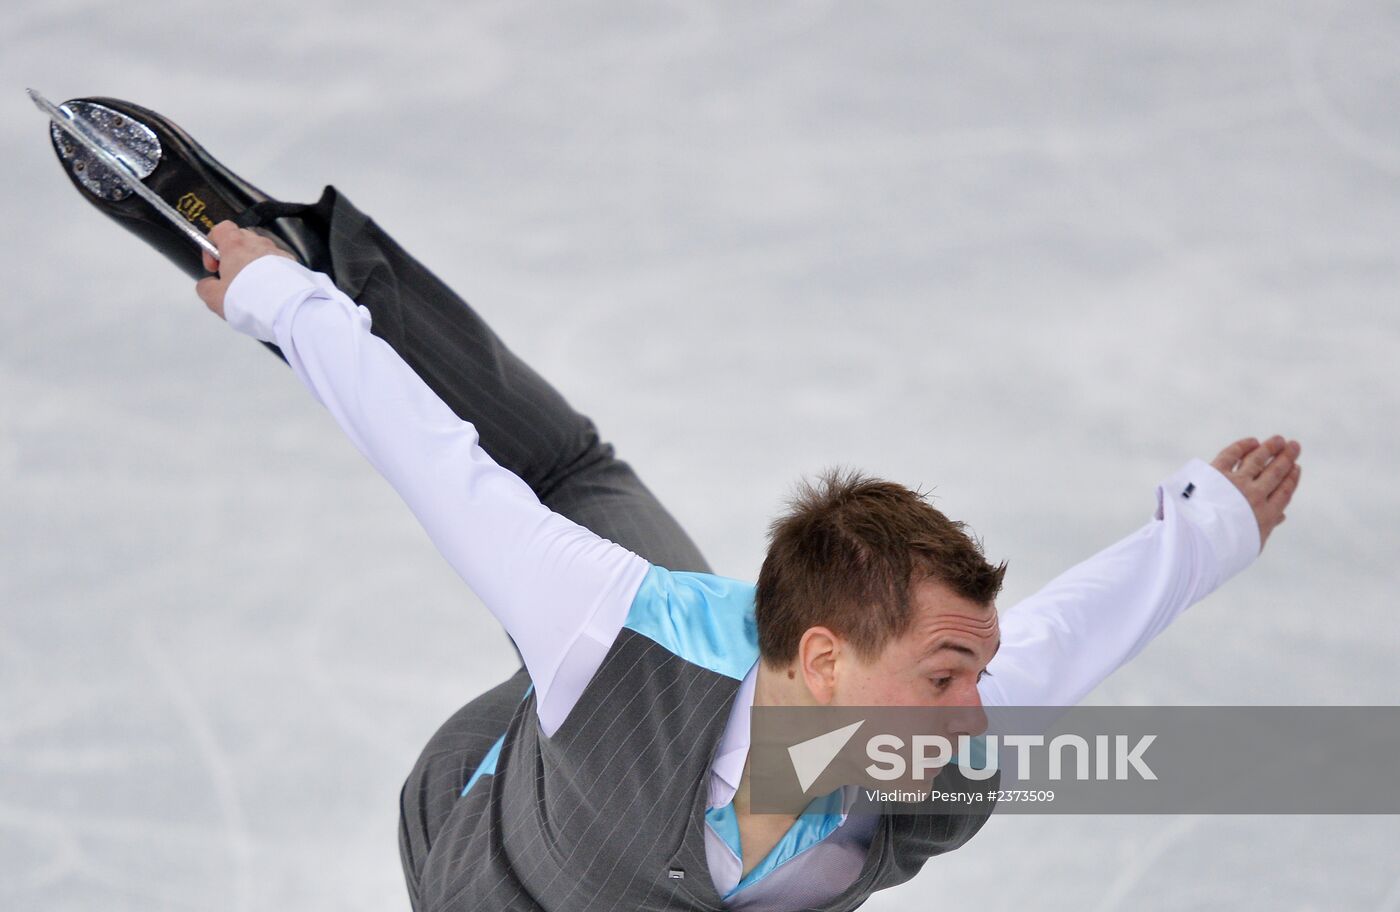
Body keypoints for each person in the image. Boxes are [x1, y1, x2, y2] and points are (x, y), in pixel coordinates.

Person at [48, 98, 1302, 912]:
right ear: (823, 656)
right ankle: (306, 250)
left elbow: (1067, 637)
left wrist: (1209, 531)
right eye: (940, 676)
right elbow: (433, 461)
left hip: (653, 713)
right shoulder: (612, 633)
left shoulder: (926, 730)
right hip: (499, 820)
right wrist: (284, 303)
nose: (977, 708)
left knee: (578, 492)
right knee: (560, 479)